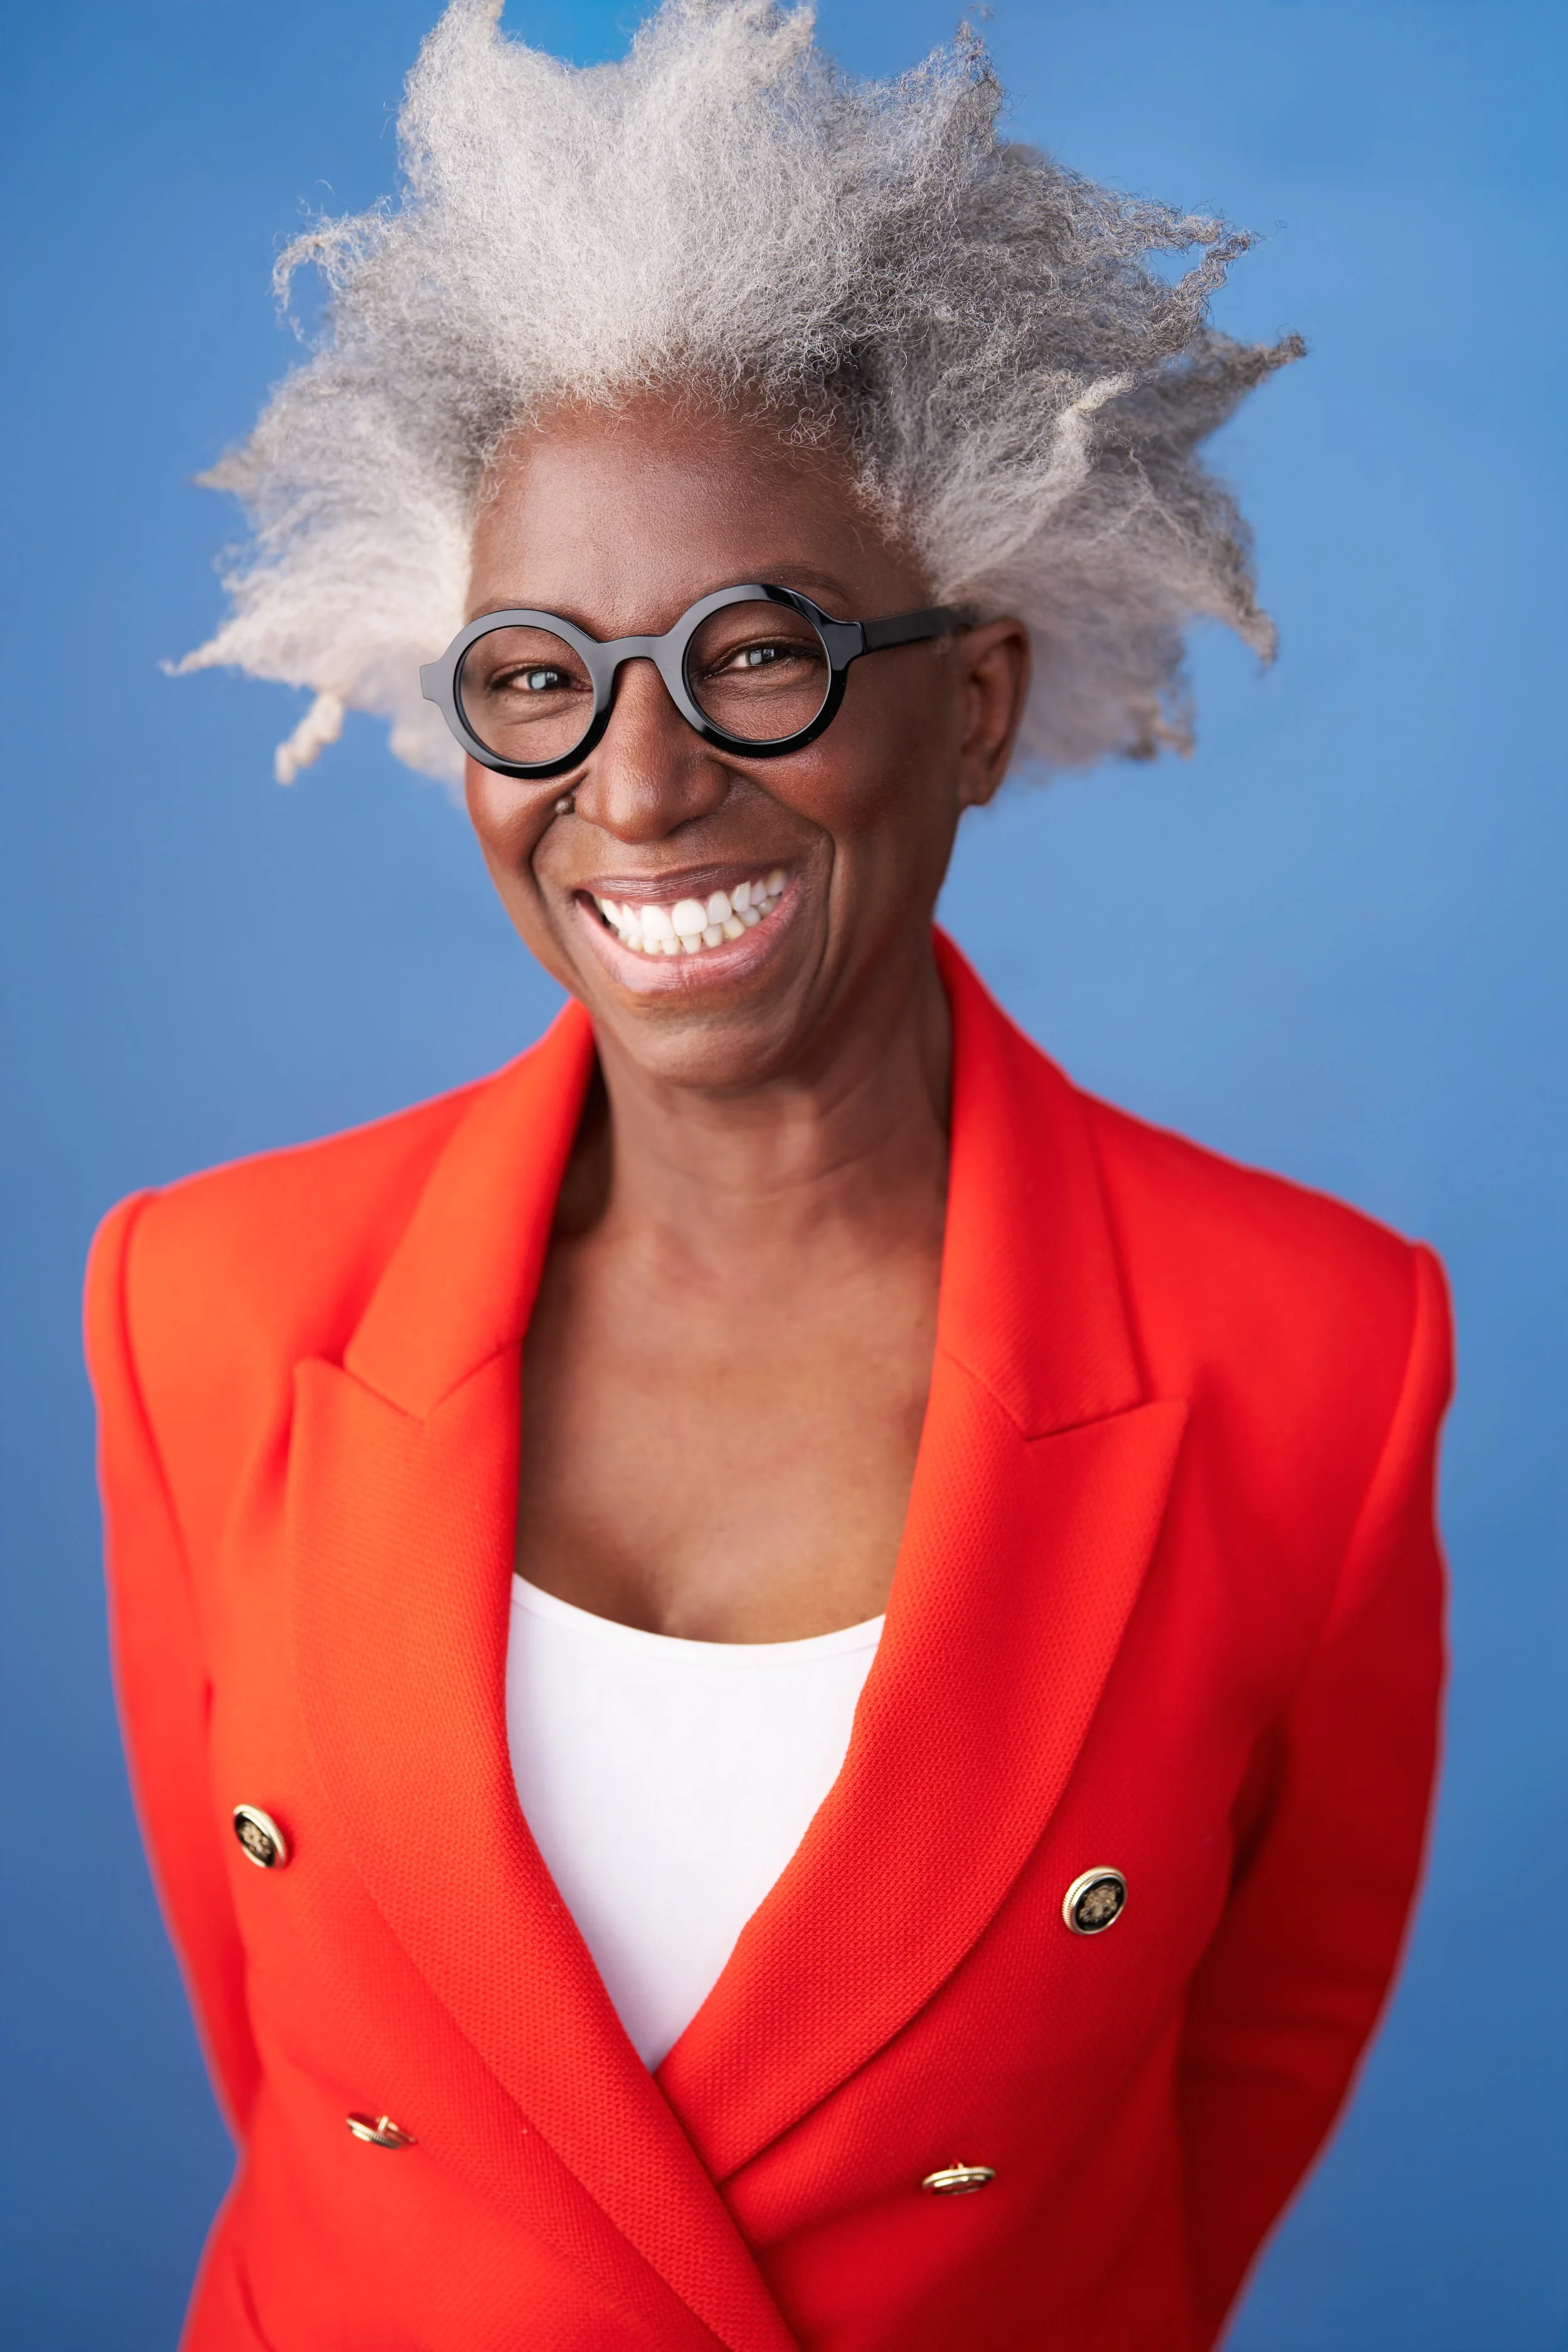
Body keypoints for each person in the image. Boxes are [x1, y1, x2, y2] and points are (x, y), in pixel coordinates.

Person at [85, 4, 1450, 2347]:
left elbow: (1239, 2077)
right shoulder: (207, 1298)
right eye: (539, 673)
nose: (633, 790)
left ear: (979, 699)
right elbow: (296, 2063)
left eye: (758, 654)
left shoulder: (1315, 1351)